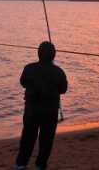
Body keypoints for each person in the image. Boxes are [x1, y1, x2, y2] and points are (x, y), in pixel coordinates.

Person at [12, 41, 68, 170]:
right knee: (46, 140)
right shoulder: (59, 72)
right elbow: (63, 89)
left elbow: (23, 82)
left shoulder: (29, 68)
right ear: (53, 56)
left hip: (32, 110)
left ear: (38, 54)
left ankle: (21, 164)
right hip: (50, 112)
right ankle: (40, 165)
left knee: (27, 138)